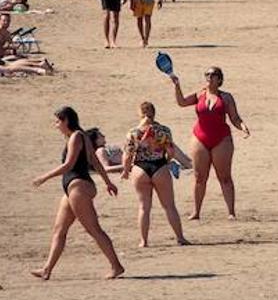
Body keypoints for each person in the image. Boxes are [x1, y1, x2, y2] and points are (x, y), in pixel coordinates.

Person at [30, 106, 124, 280]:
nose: (56, 125)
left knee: (93, 229)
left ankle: (116, 266)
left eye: (58, 121)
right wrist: (108, 182)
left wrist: (44, 177)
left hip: (78, 186)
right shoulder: (80, 136)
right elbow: (95, 161)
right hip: (73, 188)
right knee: (59, 229)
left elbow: (69, 164)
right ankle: (47, 269)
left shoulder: (76, 137)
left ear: (66, 120)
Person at [169, 66, 250, 220]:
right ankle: (196, 212)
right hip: (200, 138)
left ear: (219, 79)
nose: (209, 77)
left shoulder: (226, 97)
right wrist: (177, 85)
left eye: (213, 75)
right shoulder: (200, 94)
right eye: (207, 74)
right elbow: (182, 102)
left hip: (222, 139)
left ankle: (231, 212)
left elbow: (235, 118)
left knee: (225, 177)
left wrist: (244, 127)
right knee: (199, 177)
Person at [121, 101, 188, 247]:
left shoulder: (133, 132)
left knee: (144, 207)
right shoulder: (163, 130)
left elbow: (127, 155)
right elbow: (171, 151)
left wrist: (126, 171)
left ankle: (143, 241)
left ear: (140, 113)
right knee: (169, 206)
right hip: (159, 166)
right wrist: (167, 160)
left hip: (140, 168)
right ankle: (180, 238)